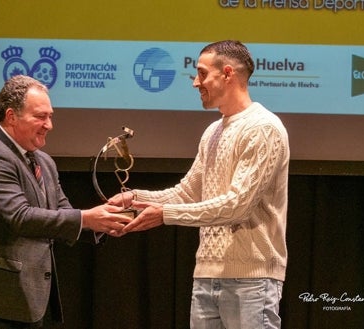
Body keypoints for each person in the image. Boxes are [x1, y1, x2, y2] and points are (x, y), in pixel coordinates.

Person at [109, 40, 290, 329]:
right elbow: (186, 192)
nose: (196, 83)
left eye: (202, 74)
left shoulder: (263, 128)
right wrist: (134, 198)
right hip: (206, 276)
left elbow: (237, 206)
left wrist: (164, 215)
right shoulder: (213, 131)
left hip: (252, 280)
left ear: (228, 73)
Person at [0, 75, 132, 329]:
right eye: (40, 117)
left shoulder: (44, 162)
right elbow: (19, 217)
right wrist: (87, 217)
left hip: (27, 304)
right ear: (11, 116)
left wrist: (104, 221)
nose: (49, 125)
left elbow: (62, 212)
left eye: (50, 116)